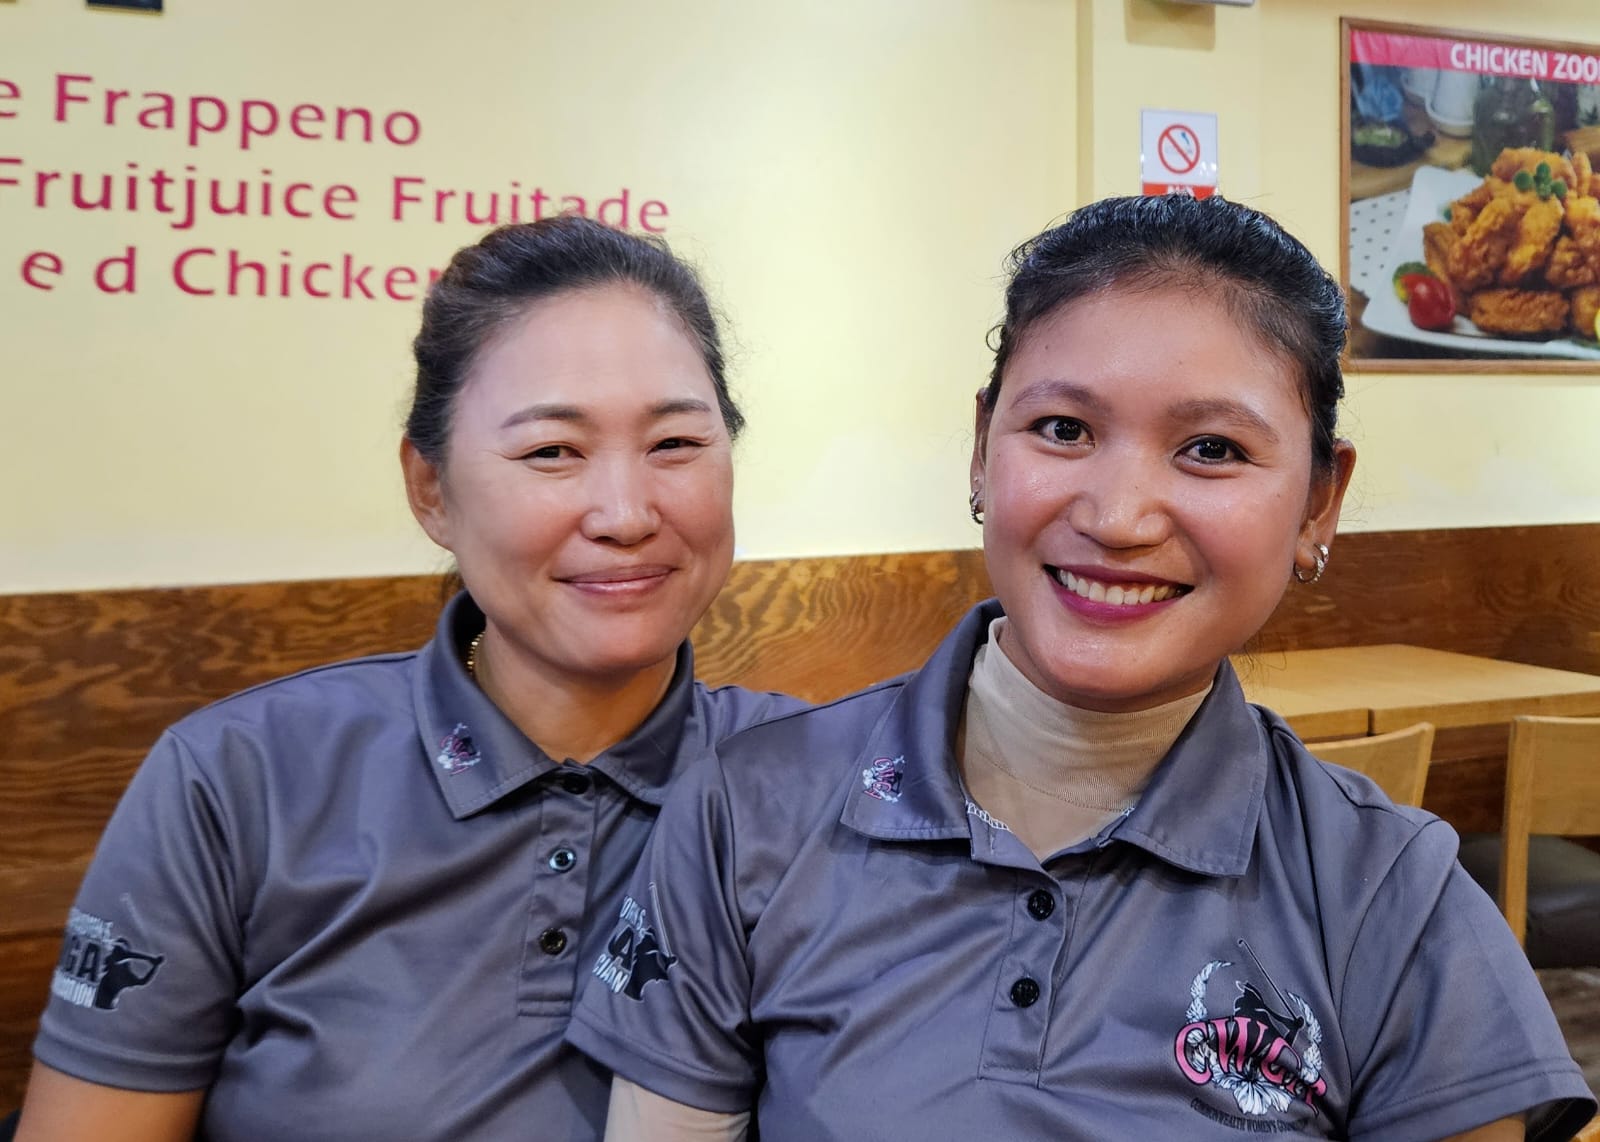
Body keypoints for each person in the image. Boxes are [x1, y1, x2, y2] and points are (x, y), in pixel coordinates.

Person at [566, 195, 1598, 1141]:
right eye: (1062, 429)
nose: (1116, 515)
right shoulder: (748, 813)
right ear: (982, 449)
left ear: (1319, 503)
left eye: (1211, 450)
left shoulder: (1391, 893)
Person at [16, 216, 801, 1142]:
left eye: (675, 444)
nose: (626, 514)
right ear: (431, 489)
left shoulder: (806, 781)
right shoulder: (237, 778)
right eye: (552, 451)